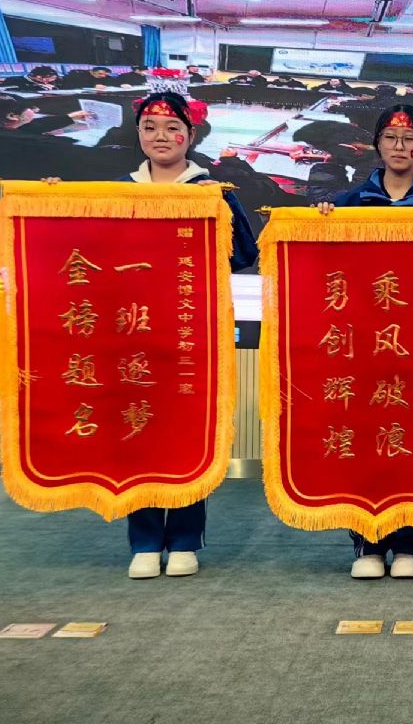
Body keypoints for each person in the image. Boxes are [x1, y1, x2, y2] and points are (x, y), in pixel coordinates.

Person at [122, 91, 258, 580]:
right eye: (150, 127)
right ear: (139, 134)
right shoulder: (119, 190)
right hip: (133, 331)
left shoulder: (212, 189)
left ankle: (183, 538)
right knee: (138, 432)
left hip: (192, 332)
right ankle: (143, 540)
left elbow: (244, 254)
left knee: (187, 435)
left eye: (172, 128)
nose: (161, 137)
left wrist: (220, 212)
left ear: (191, 135)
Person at [315, 104, 413, 580]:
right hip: (362, 346)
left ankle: (411, 543)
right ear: (376, 145)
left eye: (409, 139)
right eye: (391, 138)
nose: (400, 147)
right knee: (364, 442)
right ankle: (366, 543)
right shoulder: (350, 202)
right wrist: (321, 223)